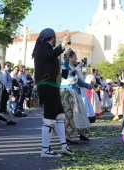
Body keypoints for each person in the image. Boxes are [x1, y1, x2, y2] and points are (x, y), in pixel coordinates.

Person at [32, 28, 74, 157]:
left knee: (59, 116)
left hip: (52, 86)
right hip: (47, 85)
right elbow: (50, 55)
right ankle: (45, 149)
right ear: (52, 38)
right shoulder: (44, 46)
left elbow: (59, 71)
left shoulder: (47, 49)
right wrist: (63, 45)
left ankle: (63, 146)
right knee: (49, 118)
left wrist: (65, 60)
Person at [60, 49, 93, 144]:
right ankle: (67, 137)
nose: (76, 58)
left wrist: (89, 86)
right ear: (70, 58)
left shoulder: (73, 68)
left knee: (80, 113)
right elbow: (65, 65)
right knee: (69, 115)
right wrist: (66, 56)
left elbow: (78, 81)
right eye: (75, 56)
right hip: (67, 93)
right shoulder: (65, 67)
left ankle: (81, 134)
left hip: (74, 92)